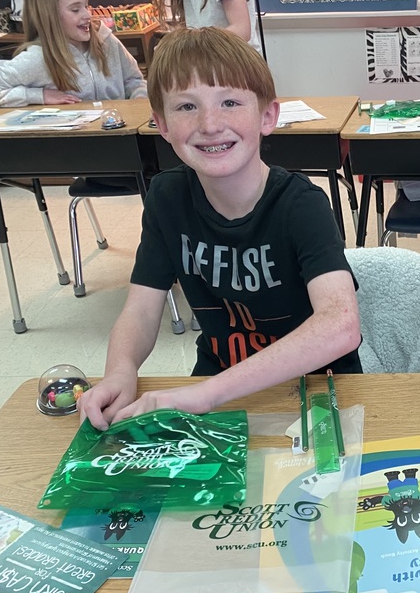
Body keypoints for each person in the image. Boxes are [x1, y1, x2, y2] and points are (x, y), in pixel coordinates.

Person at [77, 27, 361, 430]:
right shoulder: (166, 196)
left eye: (229, 102)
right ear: (161, 124)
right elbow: (140, 309)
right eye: (186, 107)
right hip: (217, 385)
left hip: (316, 391)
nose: (210, 124)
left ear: (267, 117)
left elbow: (341, 326)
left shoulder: (301, 204)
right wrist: (120, 371)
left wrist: (204, 394)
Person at [0, 0, 147, 108]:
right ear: (50, 16)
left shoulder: (105, 39)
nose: (87, 15)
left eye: (86, 5)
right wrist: (40, 96)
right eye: (75, 9)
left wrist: (139, 101)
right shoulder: (37, 58)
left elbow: (134, 80)